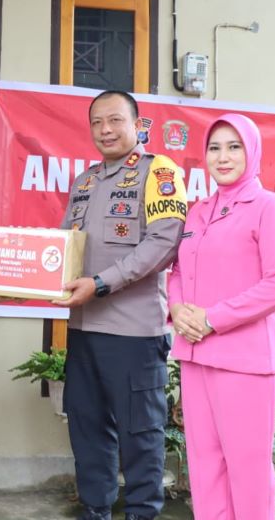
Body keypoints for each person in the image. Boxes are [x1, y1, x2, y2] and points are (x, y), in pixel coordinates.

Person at [54, 90, 188, 520]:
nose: (105, 130)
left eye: (114, 120)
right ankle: (95, 511)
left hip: (134, 334)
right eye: (96, 122)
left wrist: (100, 284)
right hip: (83, 330)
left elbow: (163, 244)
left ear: (136, 124)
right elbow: (63, 247)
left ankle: (141, 514)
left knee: (140, 436)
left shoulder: (158, 172)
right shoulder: (85, 181)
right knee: (87, 431)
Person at [168, 113, 275, 519]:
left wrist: (213, 318)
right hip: (195, 356)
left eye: (233, 147)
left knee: (248, 473)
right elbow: (177, 271)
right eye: (214, 148)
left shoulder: (269, 206)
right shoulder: (198, 211)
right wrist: (177, 308)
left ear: (252, 151)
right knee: (205, 469)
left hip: (245, 361)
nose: (222, 157)